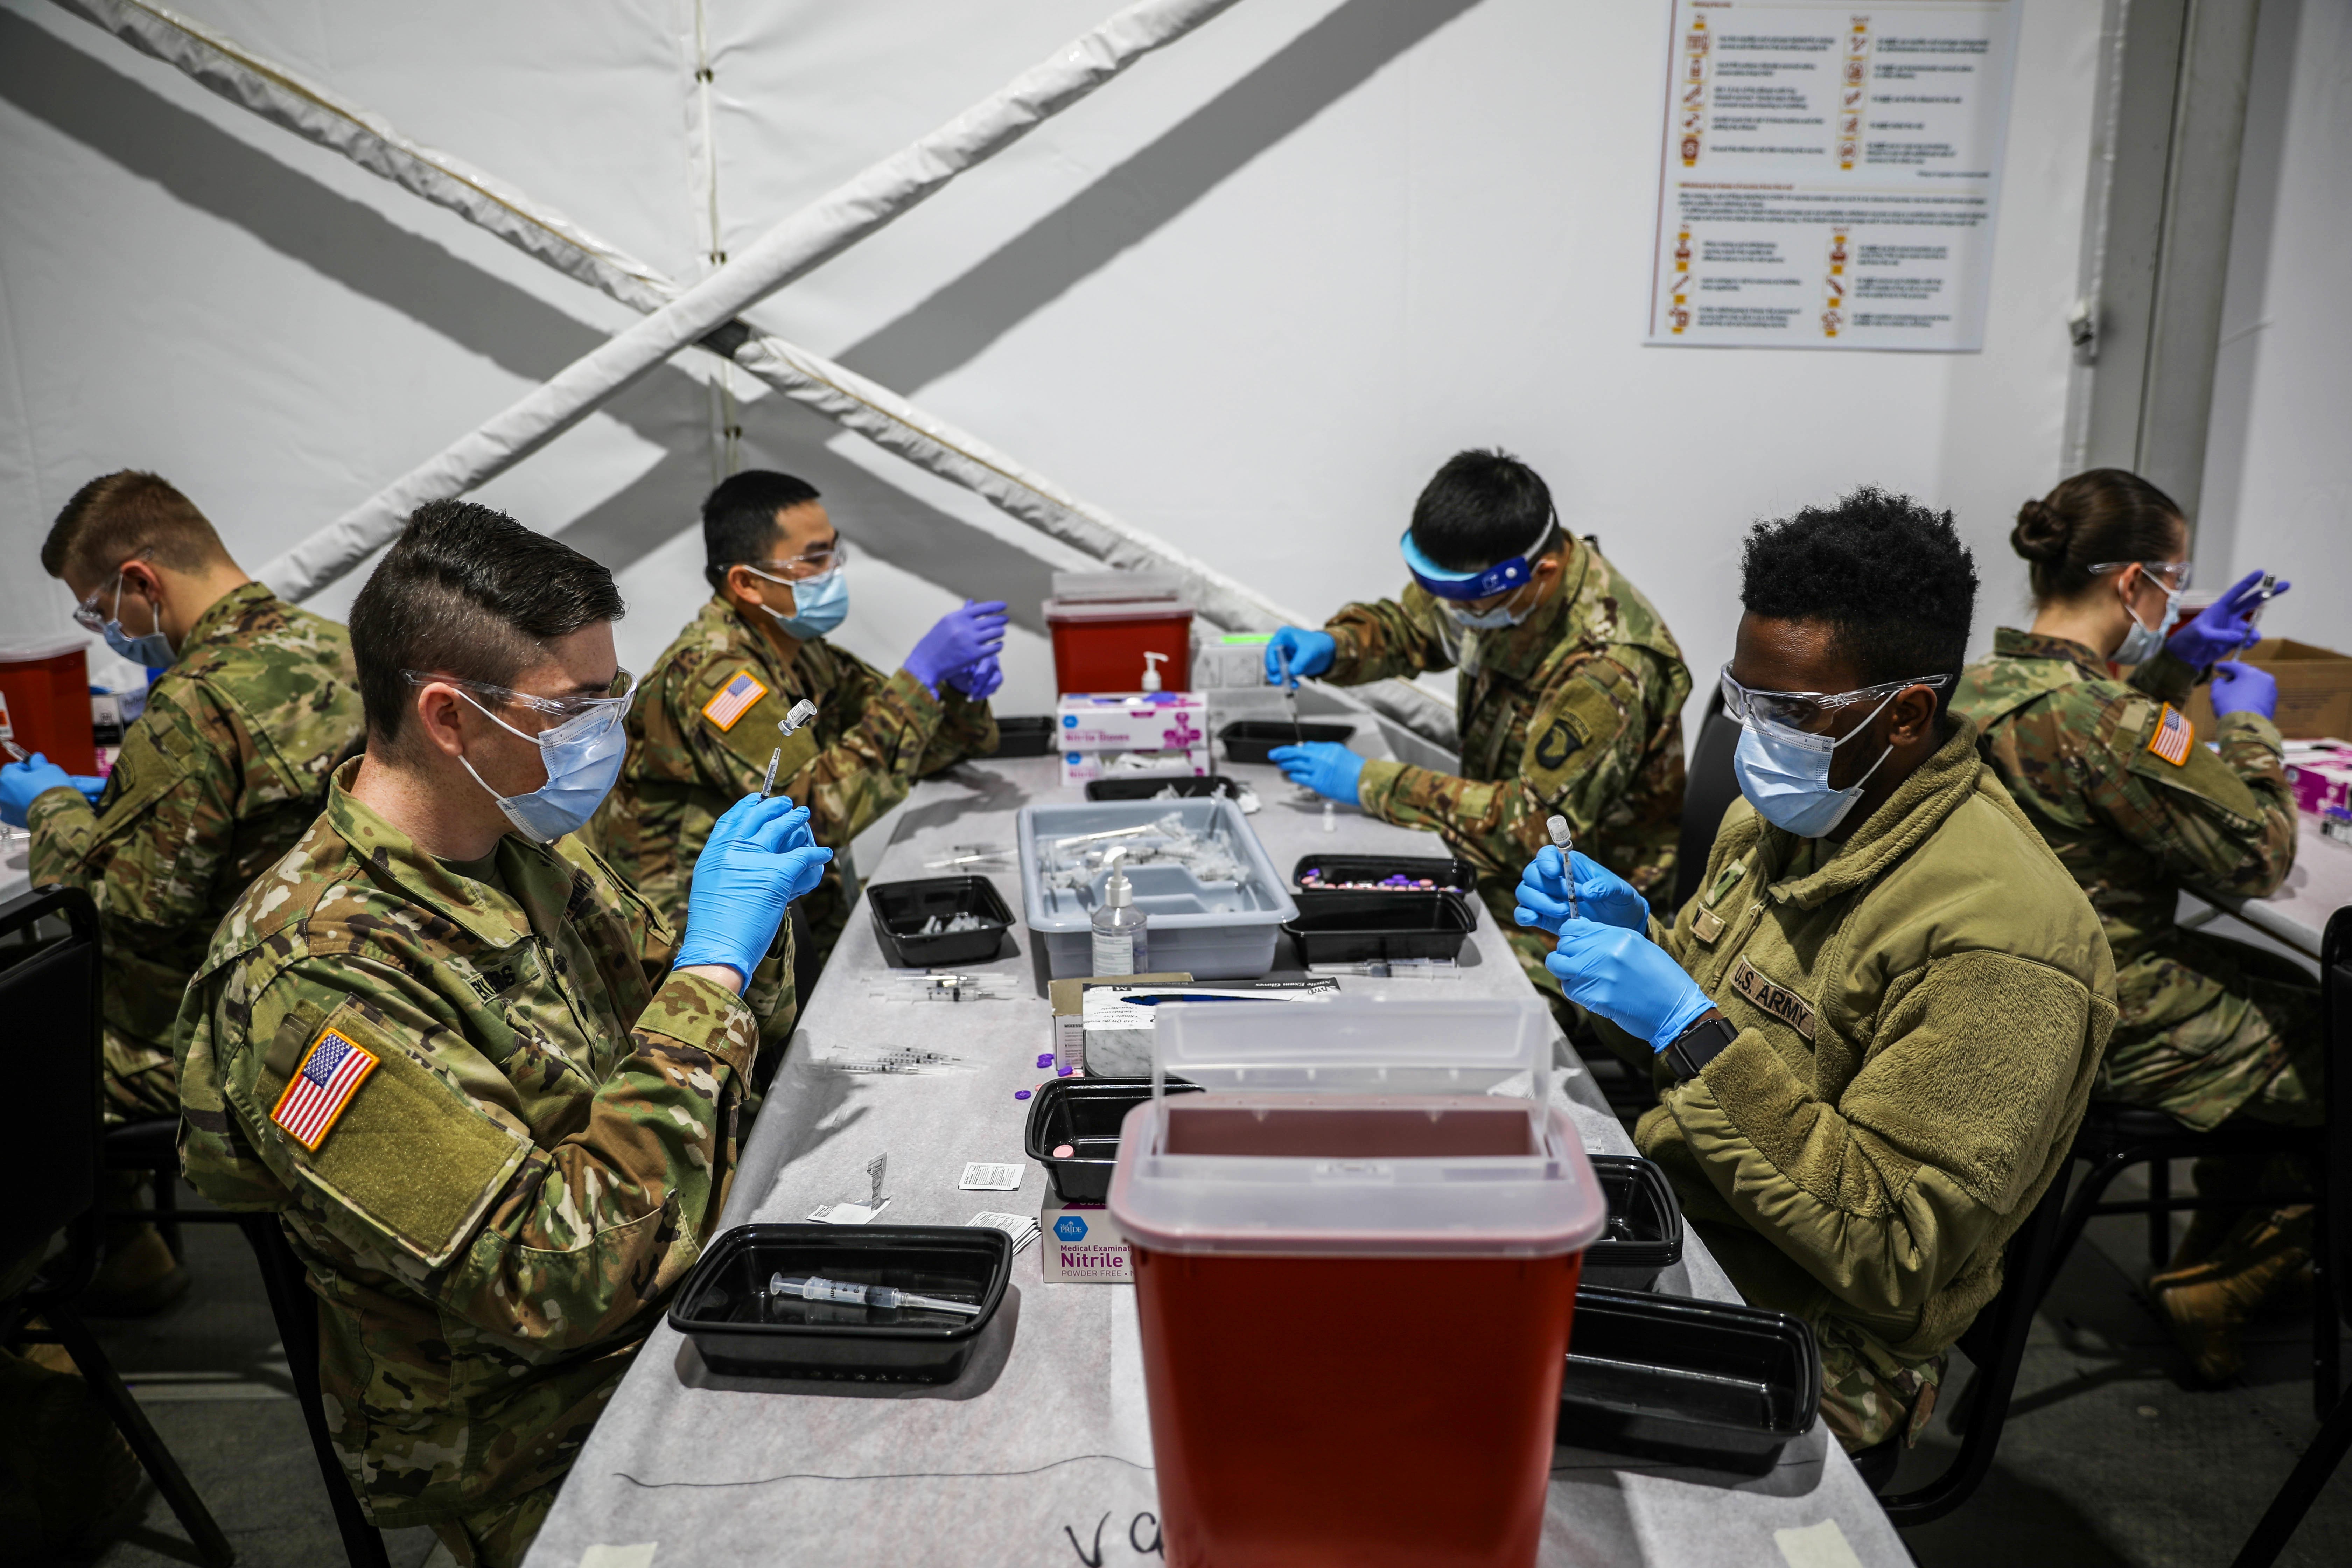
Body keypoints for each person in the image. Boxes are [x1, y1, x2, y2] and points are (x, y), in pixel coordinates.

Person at [174, 500, 831, 1568]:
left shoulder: (520, 841)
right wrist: (713, 971)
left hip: (669, 1285)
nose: (606, 730)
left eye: (610, 696)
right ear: (448, 716)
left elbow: (676, 1045)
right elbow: (550, 1279)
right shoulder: (309, 987)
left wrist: (747, 944)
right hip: (534, 1430)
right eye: (576, 706)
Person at [1514, 488, 2114, 1465]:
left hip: (1825, 1332)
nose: (1753, 739)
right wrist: (1641, 958)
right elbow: (1719, 1044)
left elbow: (1895, 1249)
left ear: (1909, 713)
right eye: (1743, 698)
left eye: (1787, 711)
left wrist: (1683, 1023)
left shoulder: (2006, 943)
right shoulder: (1791, 819)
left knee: (1482, 1405)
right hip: (1696, 1209)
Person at [1951, 469, 2310, 1383]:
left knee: (2307, 995)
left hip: (2004, 987)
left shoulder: (1977, 686)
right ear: (2130, 584)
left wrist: (2181, 665)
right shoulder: (2113, 722)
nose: (2177, 600)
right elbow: (2256, 852)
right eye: (2174, 582)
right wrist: (2251, 736)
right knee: (2334, 1047)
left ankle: (2205, 1264)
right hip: (2105, 1007)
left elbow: (2091, 737)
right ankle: (2227, 1280)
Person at [0, 471, 363, 1312]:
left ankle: (32, 1326)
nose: (102, 632)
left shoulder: (197, 701)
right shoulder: (341, 647)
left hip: (227, 1031)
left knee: (29, 1041)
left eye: (96, 611)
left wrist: (47, 802)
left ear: (140, 583)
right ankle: (132, 1251)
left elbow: (123, 908)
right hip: (343, 995)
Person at [1260, 449, 1689, 1021]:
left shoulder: (1608, 667)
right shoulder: (1497, 596)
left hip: (1572, 915)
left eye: (1466, 599)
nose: (1452, 610)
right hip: (1494, 869)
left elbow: (1531, 824)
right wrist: (1337, 646)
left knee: (1409, 1004)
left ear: (1543, 575)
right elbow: (1414, 627)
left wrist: (1370, 781)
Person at [593, 470, 1002, 1036]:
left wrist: (955, 693)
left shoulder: (801, 653)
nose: (832, 572)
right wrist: (921, 676)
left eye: (835, 553)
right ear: (748, 583)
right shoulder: (713, 677)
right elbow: (815, 812)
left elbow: (924, 747)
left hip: (790, 923)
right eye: (812, 561)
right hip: (702, 950)